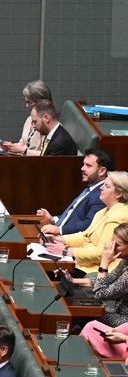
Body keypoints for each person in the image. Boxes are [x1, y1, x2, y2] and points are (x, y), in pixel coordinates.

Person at [54, 170, 128, 272]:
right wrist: (59, 239)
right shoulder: (103, 211)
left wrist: (66, 251)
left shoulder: (119, 217)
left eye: (106, 186)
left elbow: (101, 253)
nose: (101, 188)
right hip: (83, 264)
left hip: (95, 272)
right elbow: (85, 237)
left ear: (119, 194)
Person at [75, 223, 128, 358]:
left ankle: (83, 353)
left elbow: (100, 293)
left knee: (90, 308)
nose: (111, 248)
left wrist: (104, 262)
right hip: (118, 313)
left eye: (117, 245)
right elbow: (109, 279)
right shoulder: (125, 261)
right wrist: (72, 281)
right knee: (85, 305)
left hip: (124, 321)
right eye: (112, 242)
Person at [37, 149, 112, 236]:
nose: (82, 168)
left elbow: (89, 224)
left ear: (102, 171)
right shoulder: (90, 188)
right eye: (83, 164)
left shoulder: (101, 194)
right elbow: (74, 215)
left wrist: (60, 230)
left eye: (88, 166)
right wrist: (53, 219)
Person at [0, 80, 52, 155]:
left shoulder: (48, 124)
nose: (27, 106)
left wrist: (23, 150)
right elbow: (23, 143)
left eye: (30, 103)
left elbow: (46, 155)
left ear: (42, 102)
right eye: (26, 102)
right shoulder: (29, 119)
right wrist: (11, 147)